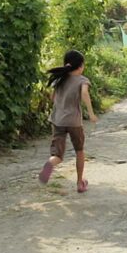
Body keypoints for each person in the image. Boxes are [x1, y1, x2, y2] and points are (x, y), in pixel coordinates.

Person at [39, 50, 98, 192]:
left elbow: (52, 98)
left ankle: (49, 164)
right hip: (74, 122)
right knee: (79, 151)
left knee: (57, 155)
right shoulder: (82, 80)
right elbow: (84, 93)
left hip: (58, 120)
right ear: (81, 66)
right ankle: (79, 183)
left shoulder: (59, 79)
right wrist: (91, 113)